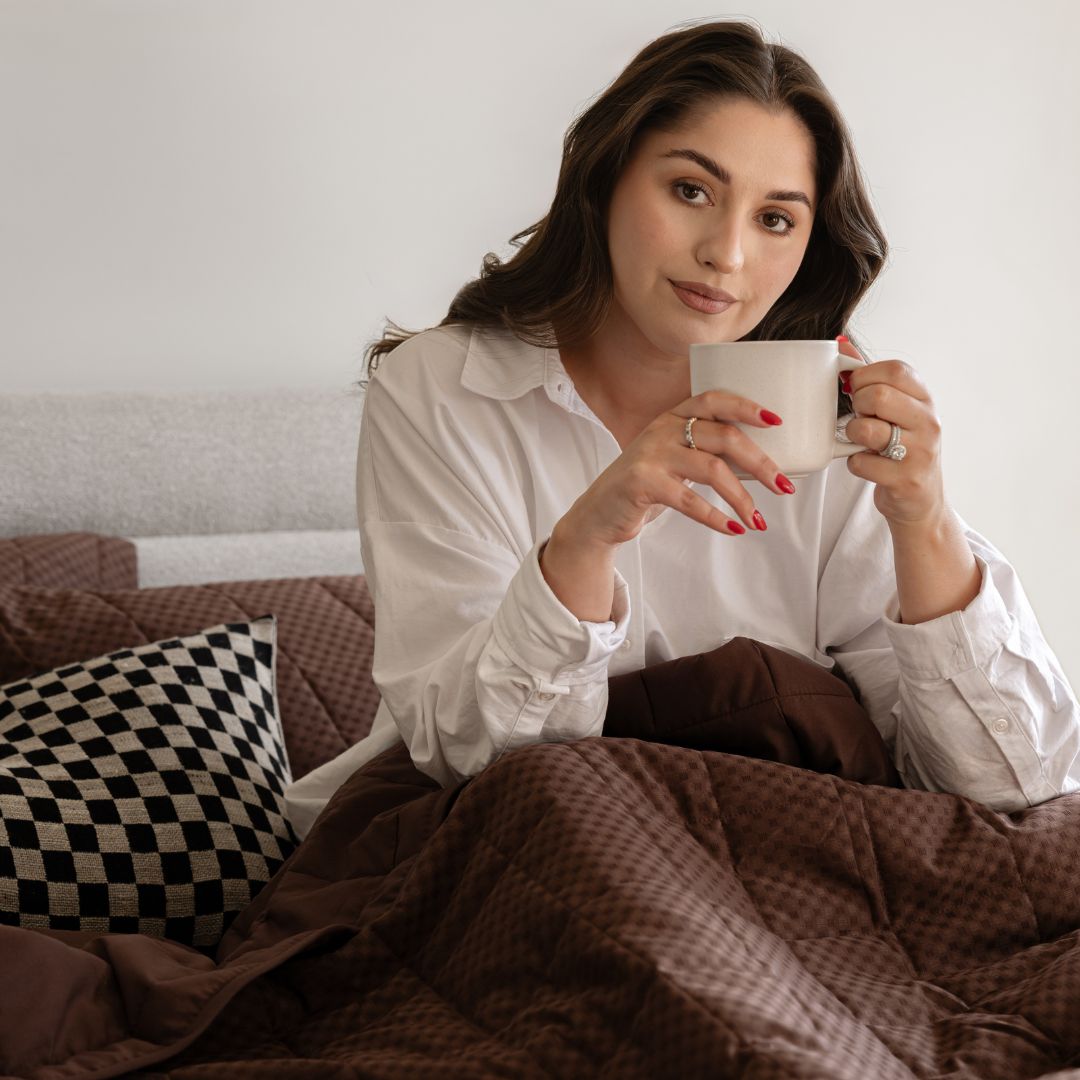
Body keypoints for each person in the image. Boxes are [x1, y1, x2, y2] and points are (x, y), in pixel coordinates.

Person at [284, 19, 1079, 839]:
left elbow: (1017, 782)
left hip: (773, 861)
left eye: (775, 219)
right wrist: (586, 541)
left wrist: (925, 524)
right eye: (691, 191)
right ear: (605, 180)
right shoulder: (446, 389)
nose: (727, 254)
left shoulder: (831, 415)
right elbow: (474, 758)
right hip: (514, 851)